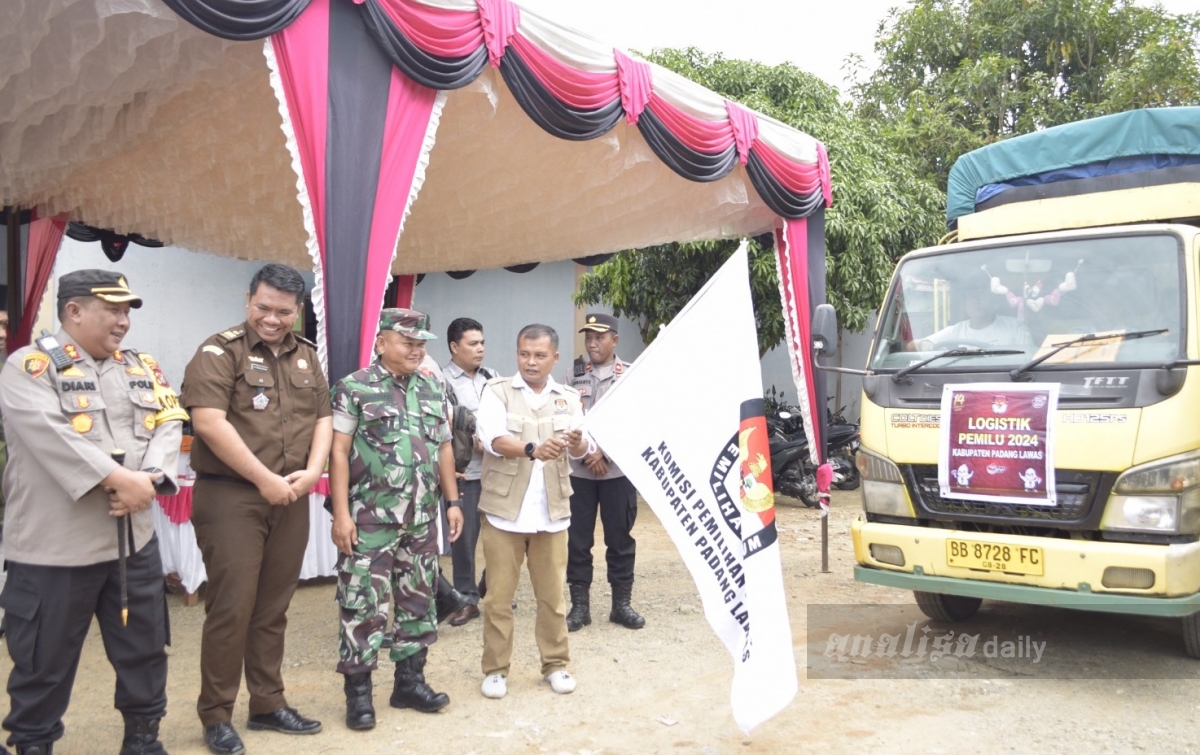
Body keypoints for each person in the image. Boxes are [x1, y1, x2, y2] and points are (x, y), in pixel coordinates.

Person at [0, 270, 185, 755]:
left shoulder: (141, 365)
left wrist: (149, 481)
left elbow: (169, 420)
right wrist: (121, 480)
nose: (124, 321)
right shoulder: (29, 367)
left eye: (127, 312)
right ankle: (34, 743)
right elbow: (50, 437)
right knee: (43, 658)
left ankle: (143, 739)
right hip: (54, 549)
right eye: (113, 310)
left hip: (132, 541)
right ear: (74, 311)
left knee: (144, 649)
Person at [181, 264, 332, 755]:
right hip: (232, 497)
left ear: (298, 310)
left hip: (290, 495)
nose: (272, 318)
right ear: (249, 299)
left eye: (283, 311)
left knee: (272, 608)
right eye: (263, 307)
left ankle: (267, 703)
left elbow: (325, 419)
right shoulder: (218, 351)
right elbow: (208, 423)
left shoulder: (308, 356)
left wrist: (312, 473)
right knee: (232, 607)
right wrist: (263, 479)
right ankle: (217, 714)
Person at [329, 308, 464, 730]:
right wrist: (339, 514)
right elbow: (337, 451)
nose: (416, 349)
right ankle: (359, 696)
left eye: (421, 343)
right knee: (363, 603)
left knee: (417, 600)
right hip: (370, 517)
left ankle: (409, 683)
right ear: (381, 342)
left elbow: (443, 447)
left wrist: (453, 502)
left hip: (421, 517)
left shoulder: (430, 387)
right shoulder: (354, 388)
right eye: (408, 342)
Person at [475, 324, 590, 700]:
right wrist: (530, 449)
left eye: (540, 355)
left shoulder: (570, 397)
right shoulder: (497, 392)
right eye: (525, 354)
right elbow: (493, 439)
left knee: (552, 597)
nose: (531, 362)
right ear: (517, 353)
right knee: (498, 598)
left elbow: (580, 449)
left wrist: (576, 443)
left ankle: (555, 665)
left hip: (551, 514)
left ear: (555, 358)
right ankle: (495, 669)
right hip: (504, 513)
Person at [565, 313, 645, 631]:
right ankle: (579, 608)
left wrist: (605, 455)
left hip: (617, 474)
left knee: (620, 539)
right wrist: (588, 455)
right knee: (577, 541)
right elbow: (567, 419)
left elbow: (635, 423)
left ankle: (621, 605)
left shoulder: (629, 374)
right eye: (588, 337)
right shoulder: (572, 375)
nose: (592, 343)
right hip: (580, 473)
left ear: (615, 340)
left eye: (599, 337)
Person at [441, 317, 497, 627]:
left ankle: (493, 585)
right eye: (473, 344)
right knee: (463, 539)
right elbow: (443, 425)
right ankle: (466, 598)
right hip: (464, 474)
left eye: (482, 343)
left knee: (505, 534)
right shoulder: (440, 380)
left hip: (495, 471)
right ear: (454, 347)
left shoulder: (492, 376)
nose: (480, 349)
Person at [914, 277, 1034, 350]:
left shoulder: (1014, 326)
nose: (974, 300)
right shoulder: (956, 331)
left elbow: (1028, 361)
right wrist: (922, 345)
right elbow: (911, 347)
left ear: (994, 301)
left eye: (980, 295)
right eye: (970, 296)